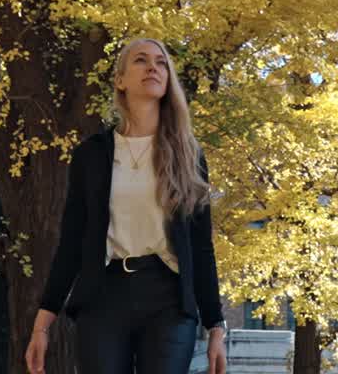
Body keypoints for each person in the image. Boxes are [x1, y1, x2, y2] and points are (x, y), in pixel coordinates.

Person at [25, 38, 228, 374]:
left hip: (169, 299)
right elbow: (72, 243)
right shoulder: (91, 154)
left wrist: (215, 325)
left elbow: (201, 246)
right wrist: (42, 325)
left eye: (161, 63)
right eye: (141, 60)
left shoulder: (188, 155)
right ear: (120, 80)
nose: (153, 67)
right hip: (103, 296)